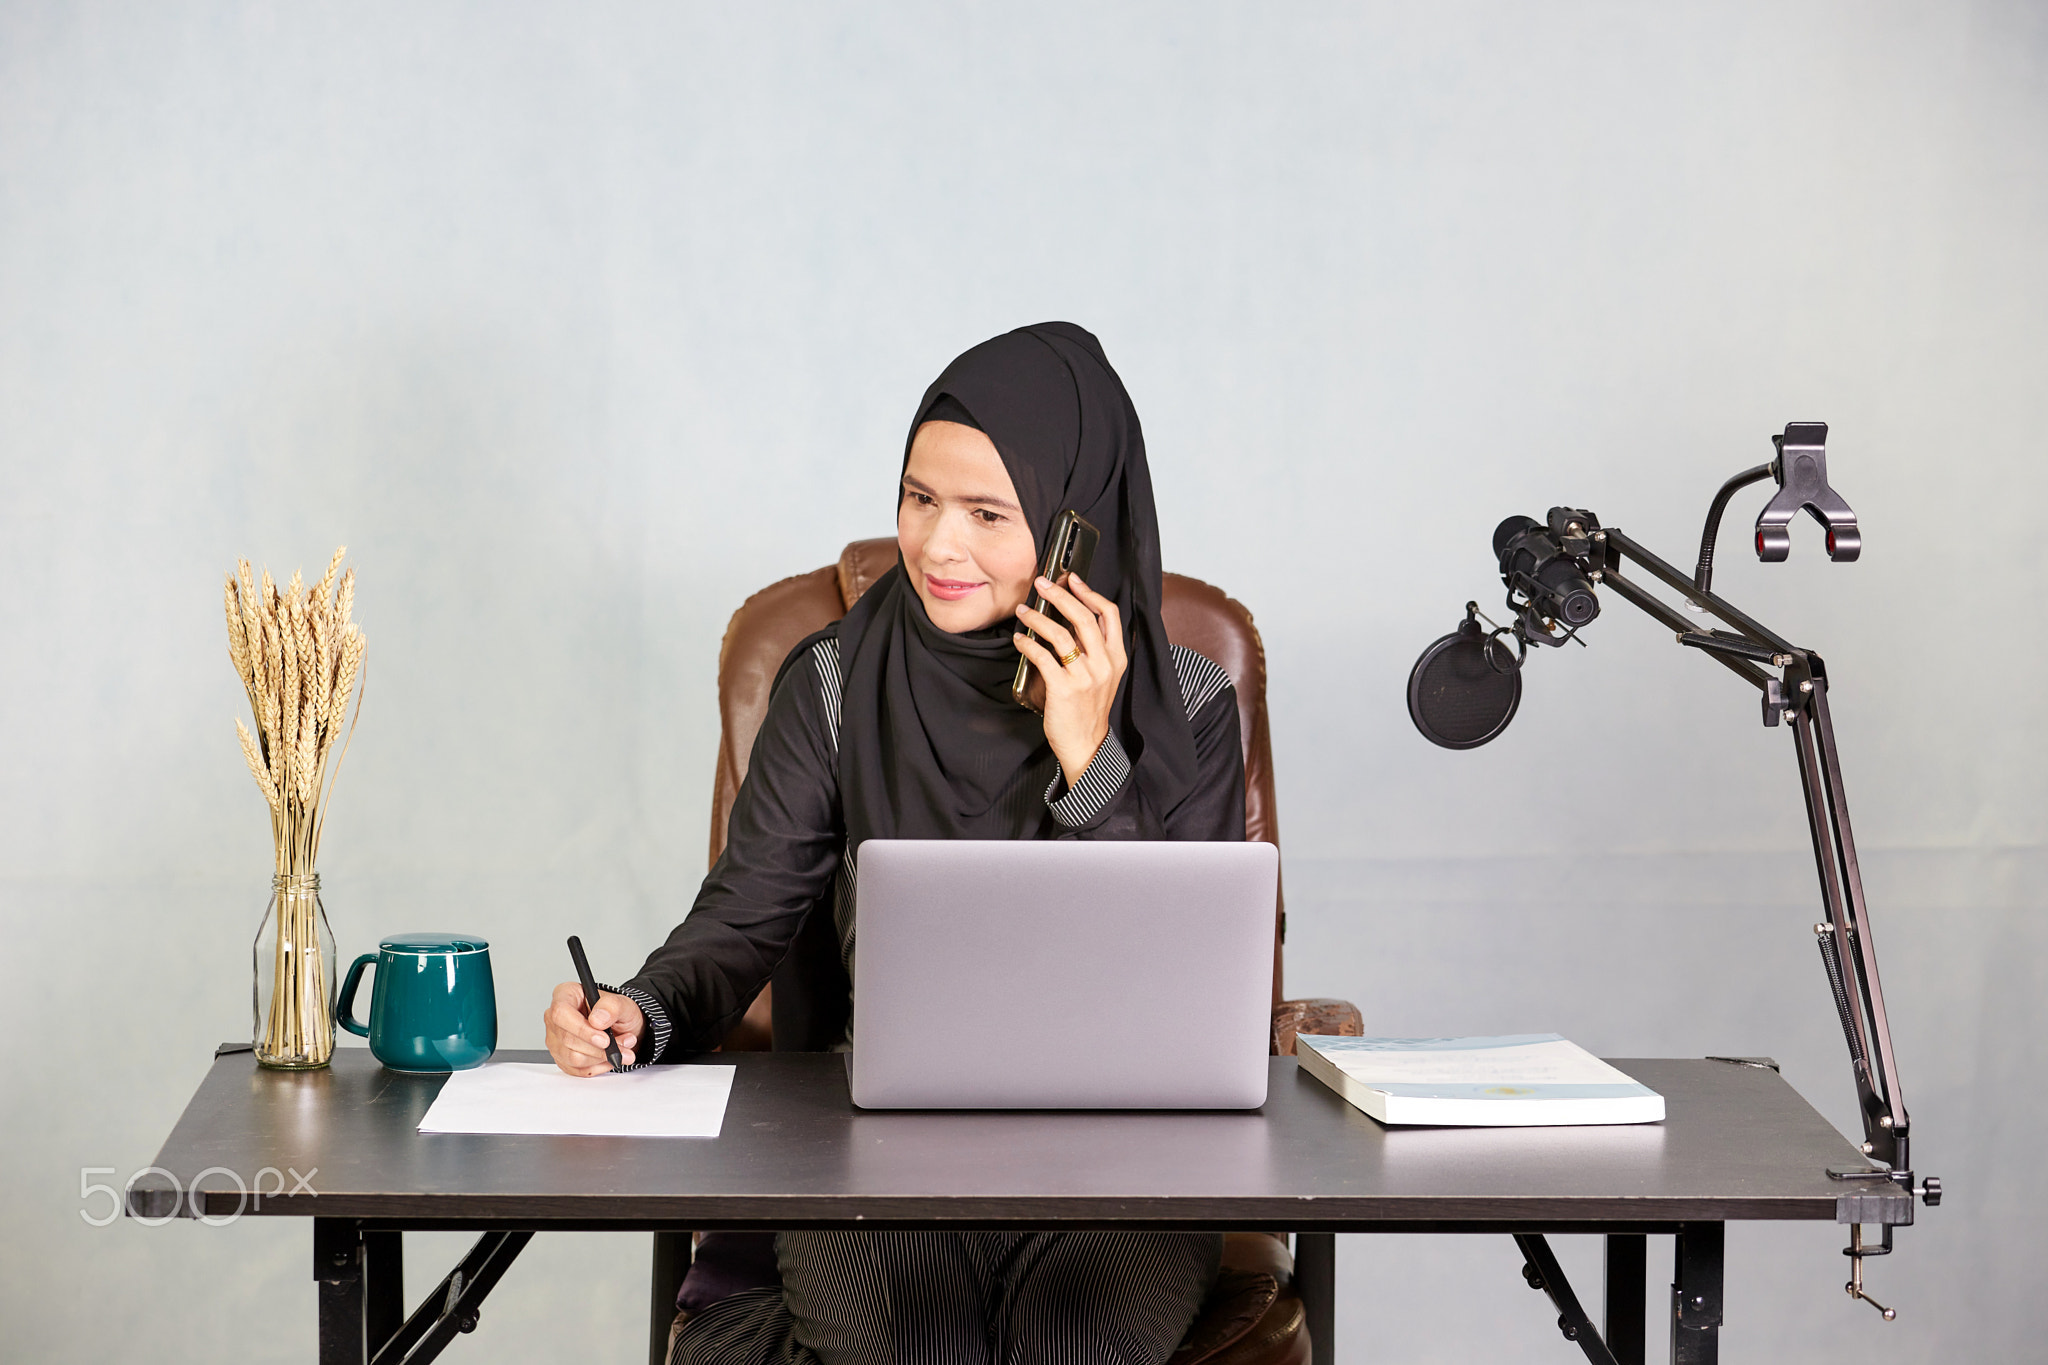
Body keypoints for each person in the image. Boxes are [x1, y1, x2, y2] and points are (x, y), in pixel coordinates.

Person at [543, 321, 1247, 1365]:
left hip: (1122, 1161)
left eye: (986, 514)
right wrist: (635, 1013)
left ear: (1075, 528)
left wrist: (1090, 757)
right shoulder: (829, 681)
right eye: (919, 498)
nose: (936, 545)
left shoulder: (1185, 706)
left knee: (1073, 1343)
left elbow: (1175, 984)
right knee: (892, 1341)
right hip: (879, 1150)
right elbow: (743, 917)